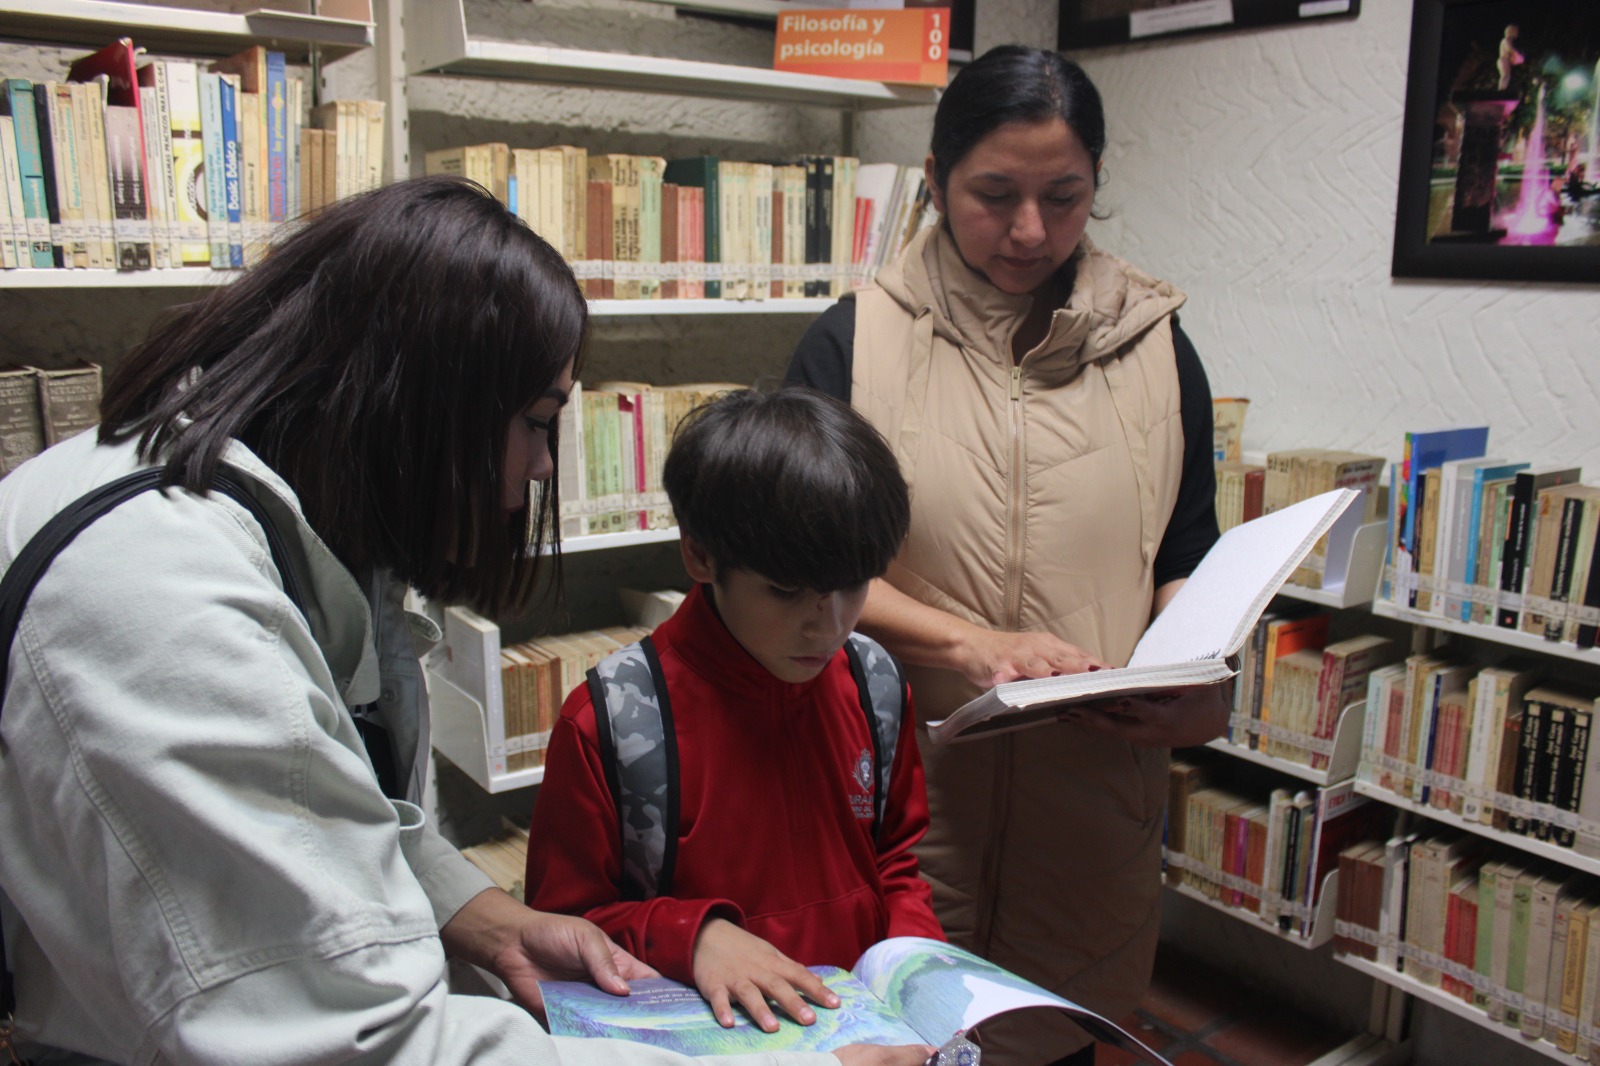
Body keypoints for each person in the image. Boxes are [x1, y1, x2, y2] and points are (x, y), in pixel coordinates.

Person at [0, 175, 927, 1066]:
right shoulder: (164, 605)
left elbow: (327, 807)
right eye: (536, 420)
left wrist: (470, 908)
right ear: (418, 407)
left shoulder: (257, 501)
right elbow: (357, 1044)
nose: (537, 469)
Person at [785, 45, 1230, 1066]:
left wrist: (1200, 682)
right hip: (897, 812)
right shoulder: (853, 344)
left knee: (1054, 1045)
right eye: (993, 195)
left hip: (1091, 822)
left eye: (1064, 198)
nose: (1029, 231)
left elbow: (1186, 552)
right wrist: (973, 643)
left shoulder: (1158, 348)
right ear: (935, 177)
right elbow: (802, 569)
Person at [525, 387, 946, 1034]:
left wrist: (918, 981)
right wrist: (692, 936)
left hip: (869, 1033)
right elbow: (559, 934)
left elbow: (895, 864)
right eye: (785, 592)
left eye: (853, 588)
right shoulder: (614, 722)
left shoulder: (874, 685)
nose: (828, 626)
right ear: (701, 556)